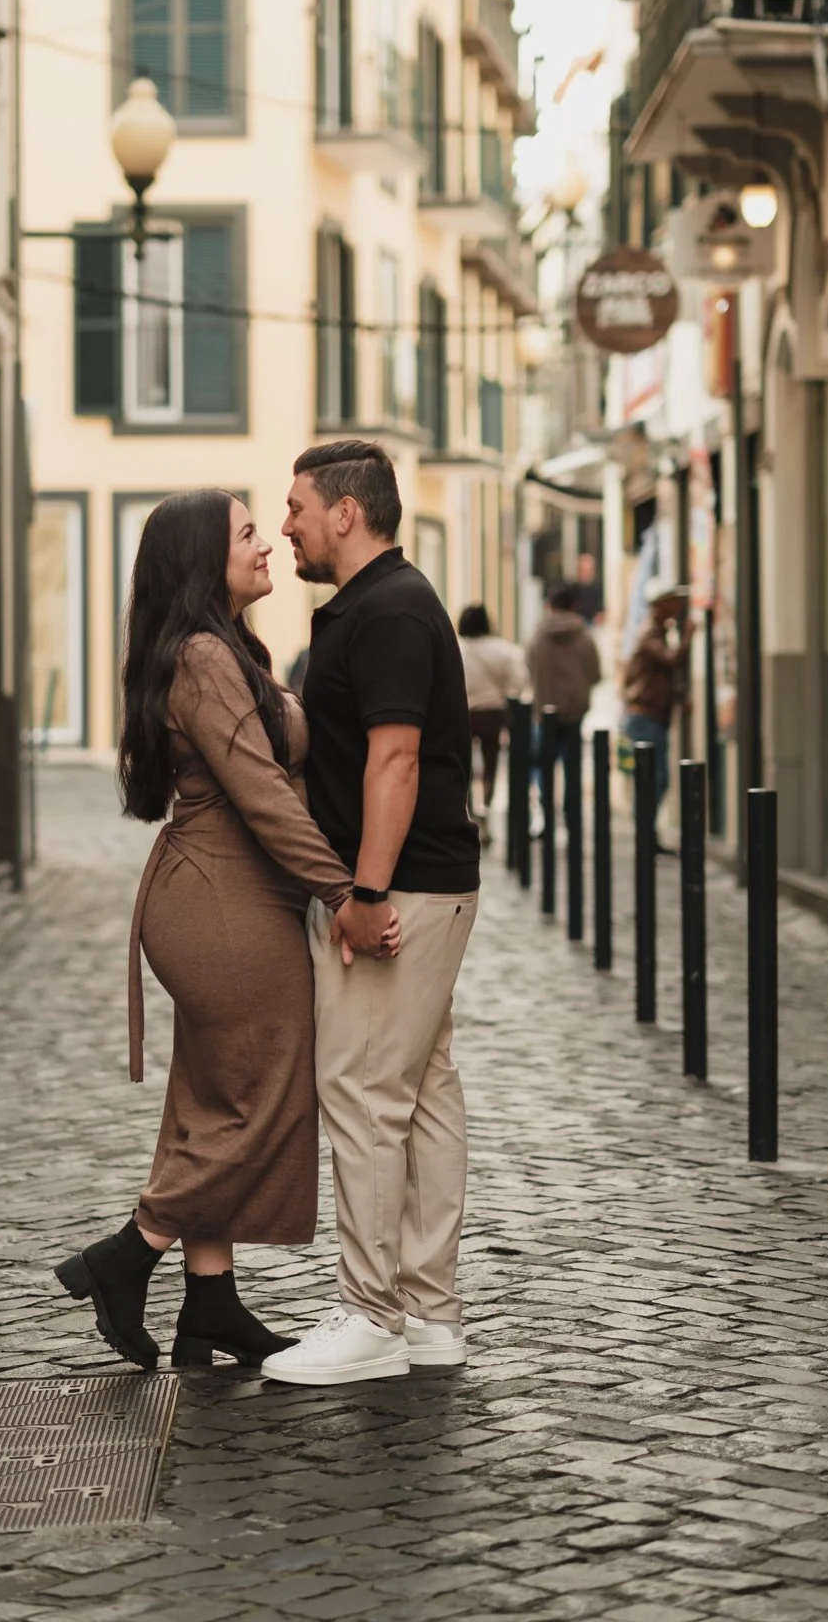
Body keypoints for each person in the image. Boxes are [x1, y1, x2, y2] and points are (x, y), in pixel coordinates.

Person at [54, 490, 397, 1372]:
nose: (267, 543)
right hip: (222, 904)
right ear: (204, 560)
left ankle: (210, 1304)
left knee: (211, 1101)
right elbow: (262, 795)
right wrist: (344, 893)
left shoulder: (227, 648)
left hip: (222, 897)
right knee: (265, 1093)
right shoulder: (205, 658)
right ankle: (129, 1251)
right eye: (247, 533)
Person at [263, 440, 482, 1387]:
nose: (287, 526)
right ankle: (426, 1315)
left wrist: (365, 893)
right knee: (421, 1094)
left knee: (360, 1093)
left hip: (403, 888)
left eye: (297, 508)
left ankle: (372, 1316)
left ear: (345, 513)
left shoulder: (387, 608)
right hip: (426, 881)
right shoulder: (383, 602)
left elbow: (395, 758)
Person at [526, 585, 602, 834]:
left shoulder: (537, 635)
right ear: (574, 606)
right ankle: (573, 821)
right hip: (574, 710)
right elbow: (595, 673)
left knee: (544, 765)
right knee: (573, 767)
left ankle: (547, 816)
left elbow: (529, 668)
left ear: (549, 606)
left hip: (544, 710)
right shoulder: (584, 635)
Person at [621, 580, 694, 836]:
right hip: (644, 716)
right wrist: (688, 637)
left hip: (654, 715)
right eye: (673, 602)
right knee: (652, 778)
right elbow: (670, 660)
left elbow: (664, 674)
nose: (678, 607)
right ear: (660, 605)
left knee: (656, 778)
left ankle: (647, 833)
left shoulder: (659, 632)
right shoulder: (649, 633)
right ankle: (645, 834)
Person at [456, 603, 528, 836]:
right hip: (492, 712)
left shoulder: (456, 648)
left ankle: (468, 811)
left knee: (463, 765)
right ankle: (486, 805)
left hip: (462, 713)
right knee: (491, 762)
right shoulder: (502, 649)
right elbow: (518, 681)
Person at [572, 551, 604, 625]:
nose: (585, 574)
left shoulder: (598, 588)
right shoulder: (573, 589)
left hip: (593, 623)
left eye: (588, 570)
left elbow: (601, 610)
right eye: (583, 570)